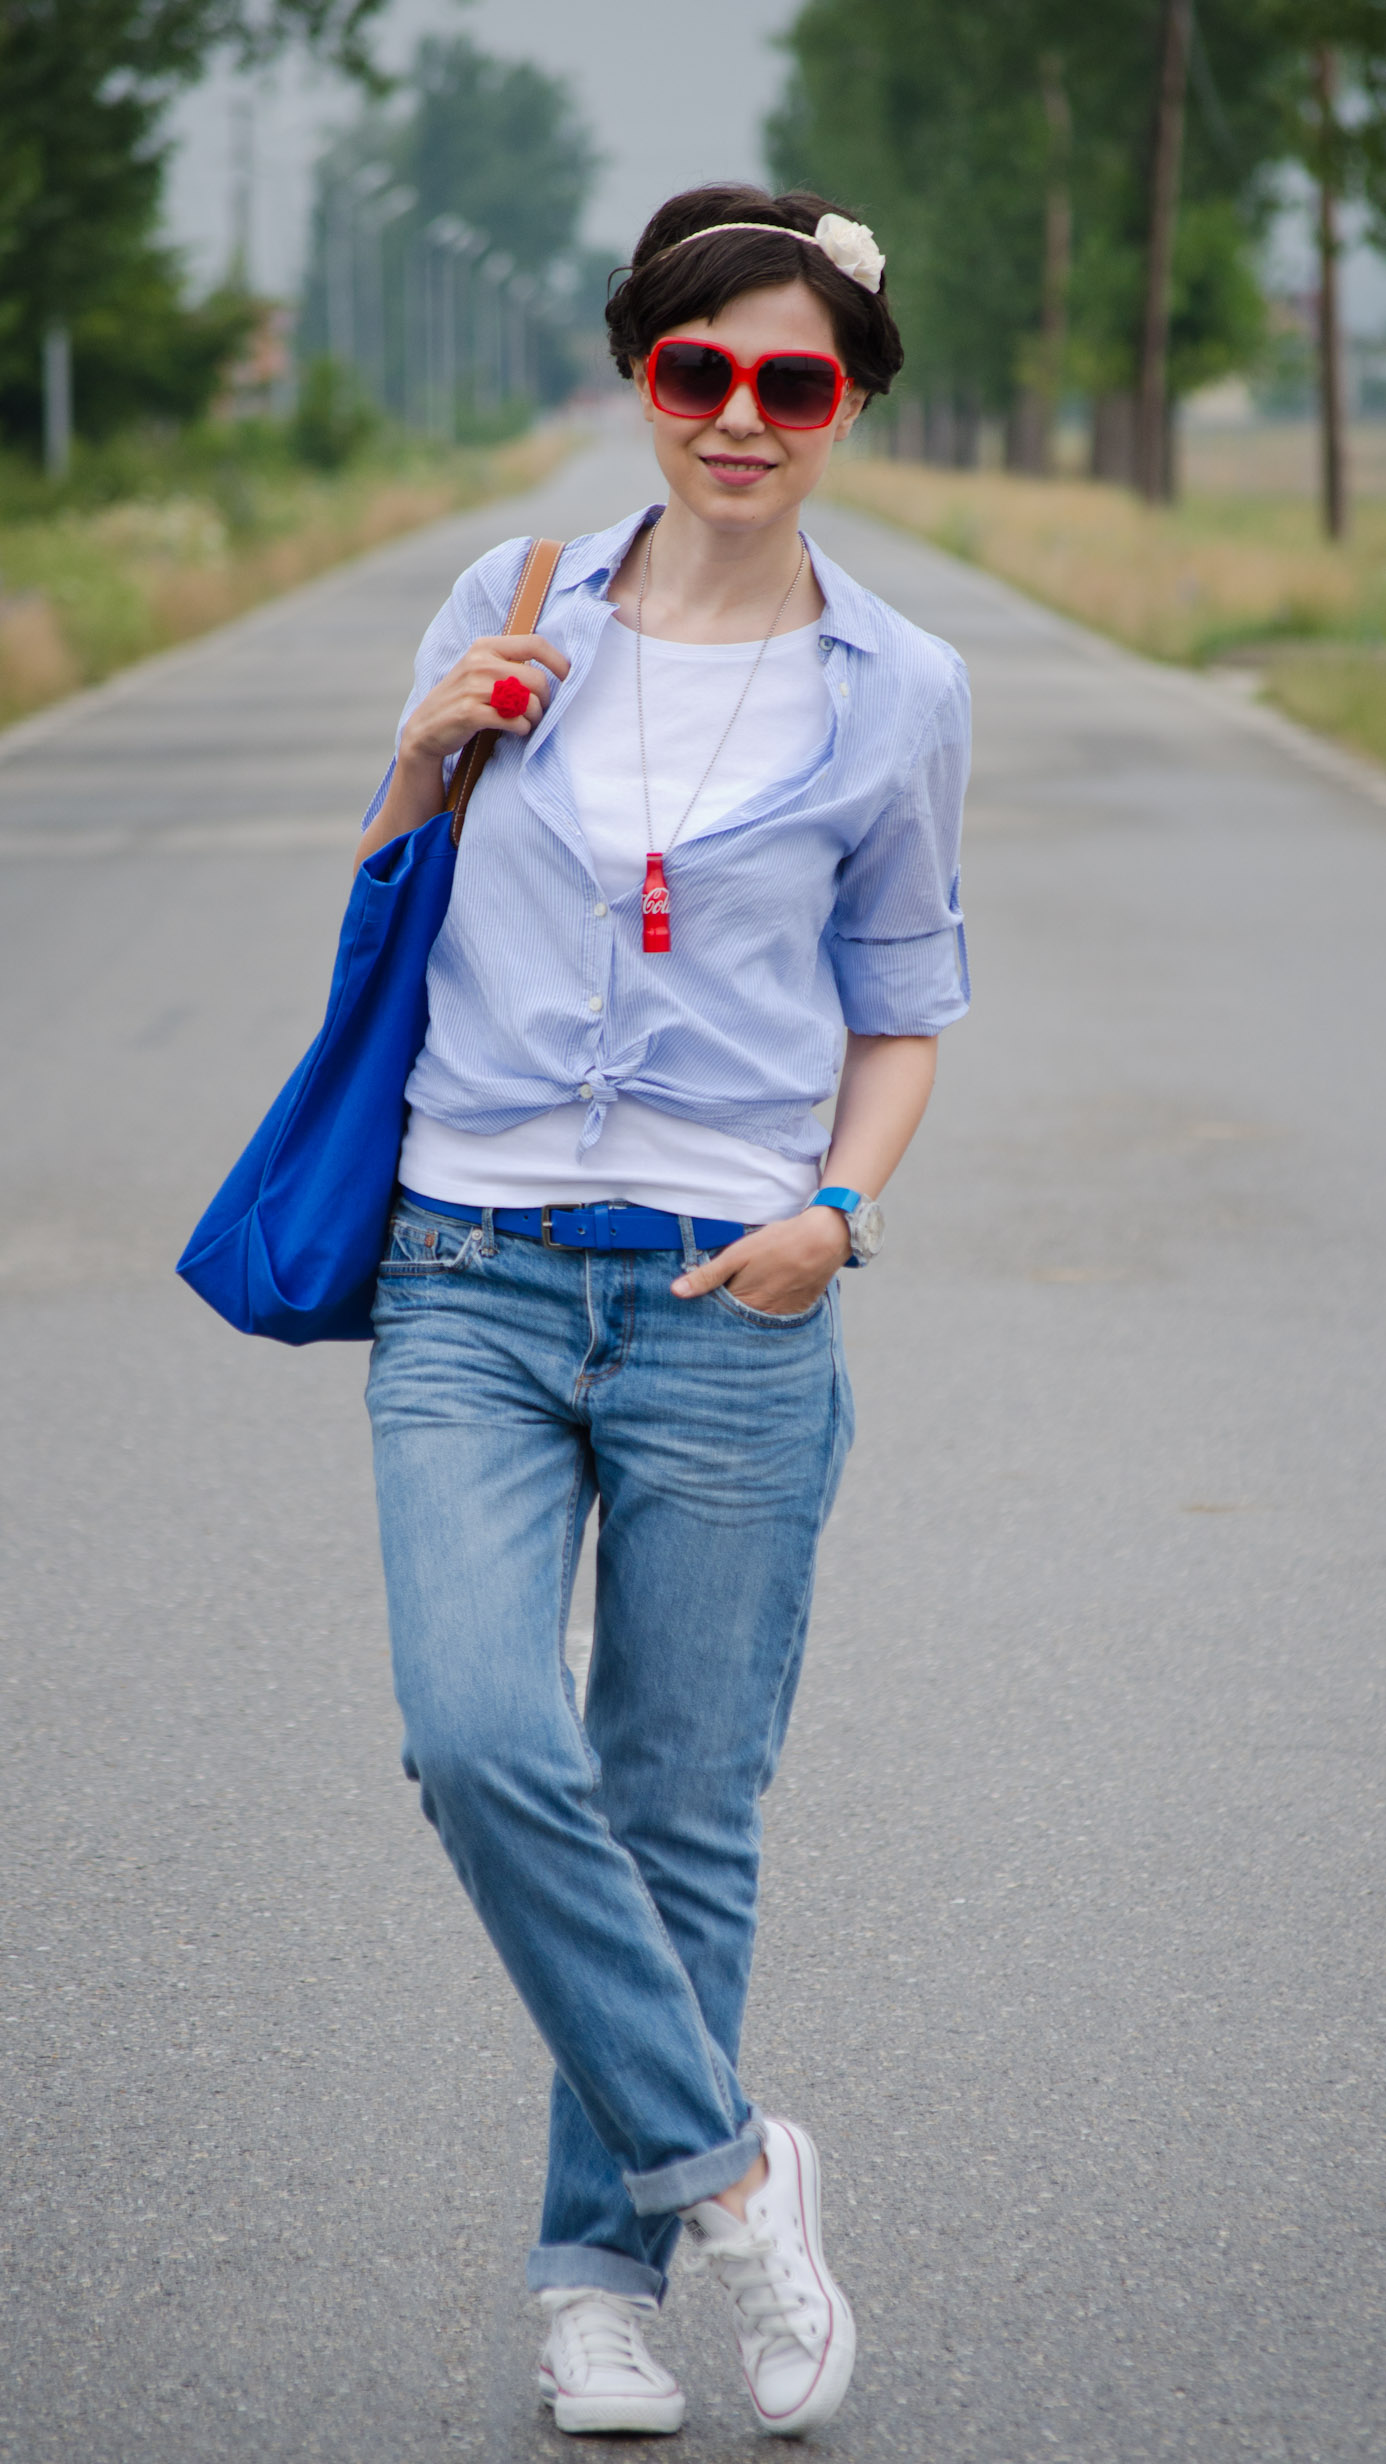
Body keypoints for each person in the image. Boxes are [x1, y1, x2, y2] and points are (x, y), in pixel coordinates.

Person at [355, 182, 970, 2438]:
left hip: (736, 1289)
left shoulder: (901, 684)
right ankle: (732, 2175)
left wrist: (839, 1207)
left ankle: (595, 2288)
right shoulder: (515, 597)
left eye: (788, 379)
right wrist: (432, 732)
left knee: (682, 1809)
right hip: (474, 1266)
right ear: (643, 375)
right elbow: (385, 878)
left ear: (846, 408)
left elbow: (903, 1005)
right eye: (696, 369)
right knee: (477, 1735)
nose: (737, 414)